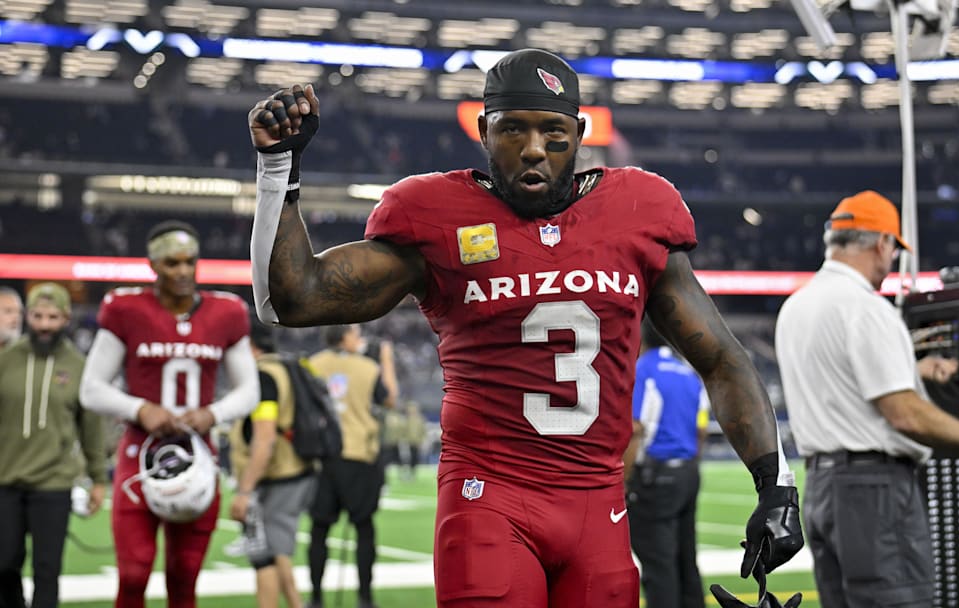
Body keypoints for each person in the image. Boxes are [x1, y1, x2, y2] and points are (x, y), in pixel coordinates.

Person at [247, 48, 803, 607]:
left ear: (580, 133)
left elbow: (721, 359)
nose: (533, 148)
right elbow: (290, 300)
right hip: (488, 498)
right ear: (485, 131)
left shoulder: (639, 209)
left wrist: (776, 487)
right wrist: (279, 171)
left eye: (552, 131)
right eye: (513, 129)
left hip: (599, 507)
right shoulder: (437, 216)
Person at [774, 190, 959, 608]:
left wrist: (913, 371)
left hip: (822, 487)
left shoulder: (796, 306)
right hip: (874, 488)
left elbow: (842, 383)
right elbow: (904, 414)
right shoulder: (866, 309)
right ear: (882, 242)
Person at [79, 220, 259, 608]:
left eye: (189, 262)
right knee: (133, 573)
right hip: (139, 455)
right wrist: (139, 408)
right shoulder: (126, 308)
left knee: (184, 576)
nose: (182, 271)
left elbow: (249, 390)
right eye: (172, 263)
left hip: (197, 457)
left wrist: (214, 413)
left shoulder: (226, 311)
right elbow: (90, 388)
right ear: (153, 265)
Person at [0, 283, 107, 608]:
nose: (45, 324)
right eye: (37, 316)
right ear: (27, 317)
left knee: (47, 571)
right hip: (5, 481)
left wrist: (99, 479)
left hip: (54, 484)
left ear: (66, 318)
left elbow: (91, 429)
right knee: (3, 566)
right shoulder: (6, 360)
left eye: (53, 316)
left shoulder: (79, 366)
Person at [228, 318, 316, 608]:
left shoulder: (264, 376)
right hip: (295, 469)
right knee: (277, 554)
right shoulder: (292, 366)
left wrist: (244, 491)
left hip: (276, 476)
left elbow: (264, 438)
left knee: (264, 556)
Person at [623, 319, 709, 608]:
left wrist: (624, 481)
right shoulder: (688, 373)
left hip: (656, 475)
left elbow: (636, 426)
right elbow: (701, 429)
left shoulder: (643, 370)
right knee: (686, 560)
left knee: (659, 566)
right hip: (688, 471)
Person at [305, 324, 391, 608]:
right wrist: (386, 360)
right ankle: (365, 598)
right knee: (364, 528)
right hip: (358, 455)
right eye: (355, 333)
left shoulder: (311, 364)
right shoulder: (368, 366)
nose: (360, 339)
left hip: (322, 456)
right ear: (344, 337)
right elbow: (388, 399)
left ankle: (316, 597)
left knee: (319, 529)